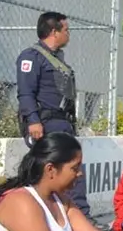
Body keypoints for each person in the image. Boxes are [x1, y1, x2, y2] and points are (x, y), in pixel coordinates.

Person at [16, 11, 89, 218]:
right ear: (54, 32)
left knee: (70, 170)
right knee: (67, 169)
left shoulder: (57, 59)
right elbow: (25, 92)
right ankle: (79, 216)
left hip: (62, 121)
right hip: (46, 124)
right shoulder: (32, 57)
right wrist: (33, 121)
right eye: (66, 30)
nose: (69, 34)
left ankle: (74, 215)